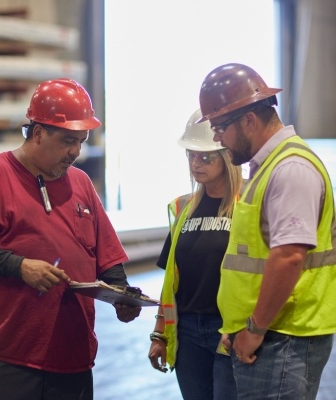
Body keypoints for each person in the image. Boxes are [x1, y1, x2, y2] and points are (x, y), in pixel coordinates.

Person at [0, 78, 141, 400]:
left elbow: (106, 254)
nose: (75, 152)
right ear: (38, 133)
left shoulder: (81, 183)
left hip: (73, 351)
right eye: (67, 140)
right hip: (10, 352)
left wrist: (122, 295)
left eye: (81, 140)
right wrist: (20, 267)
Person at [196, 63, 336, 400]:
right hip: (271, 334)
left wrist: (255, 328)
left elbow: (289, 257)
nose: (216, 138)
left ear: (249, 120)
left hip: (283, 337)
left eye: (219, 127)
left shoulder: (290, 169)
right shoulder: (267, 168)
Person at [148, 109, 242, 400]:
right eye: (190, 155)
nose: (195, 164)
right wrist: (159, 334)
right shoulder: (182, 208)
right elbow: (171, 284)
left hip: (230, 329)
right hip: (187, 332)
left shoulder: (249, 206)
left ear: (227, 157)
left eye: (205, 157)